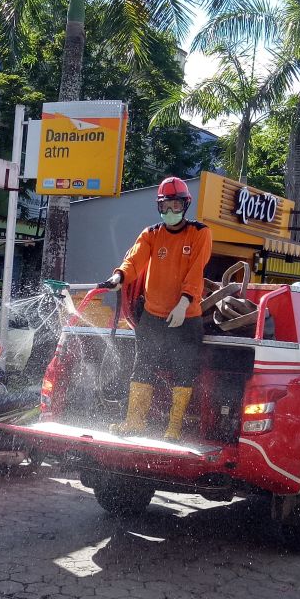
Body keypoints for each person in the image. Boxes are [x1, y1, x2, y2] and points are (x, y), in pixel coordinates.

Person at [97, 176, 212, 439]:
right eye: (165, 206)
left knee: (184, 369)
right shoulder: (150, 234)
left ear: (185, 205)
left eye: (175, 206)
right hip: (153, 316)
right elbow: (134, 261)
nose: (170, 212)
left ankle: (173, 428)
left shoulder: (200, 233)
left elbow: (196, 273)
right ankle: (134, 422)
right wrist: (118, 278)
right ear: (159, 207)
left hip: (186, 316)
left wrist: (184, 303)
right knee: (143, 366)